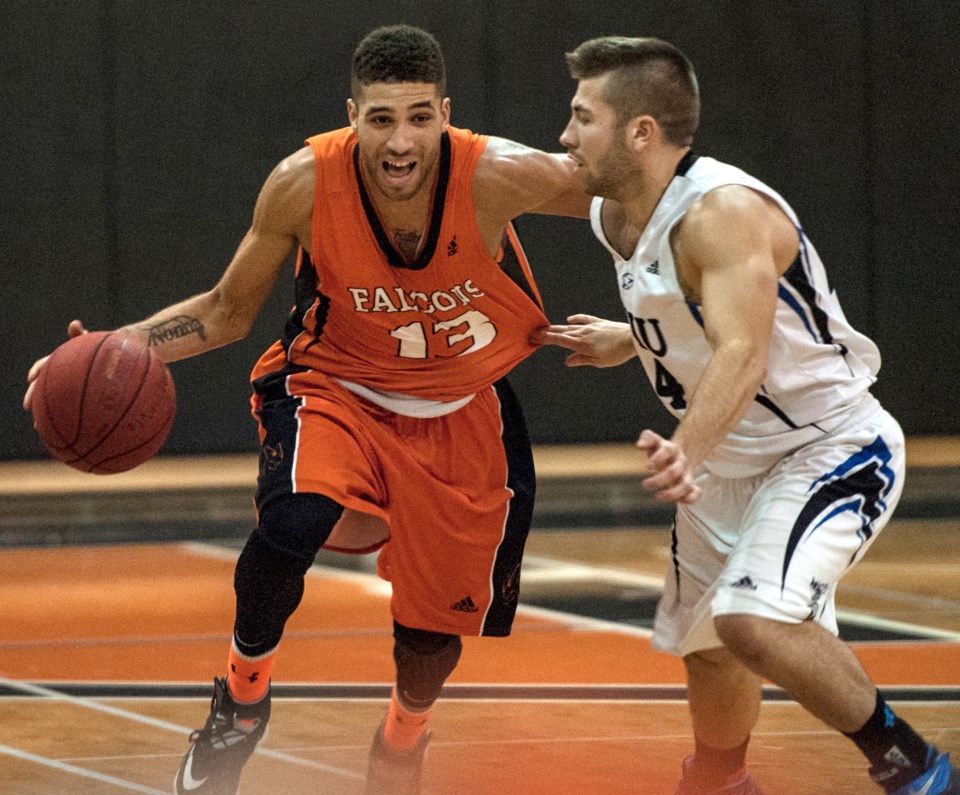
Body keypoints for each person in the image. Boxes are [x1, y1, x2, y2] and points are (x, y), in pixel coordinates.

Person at [25, 25, 589, 795]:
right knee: (293, 518)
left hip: (459, 408)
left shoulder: (495, 175)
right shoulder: (304, 183)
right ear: (351, 115)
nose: (400, 141)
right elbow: (226, 311)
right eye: (381, 118)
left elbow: (633, 195)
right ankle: (241, 702)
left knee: (428, 640)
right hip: (335, 387)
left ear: (446, 114)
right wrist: (106, 352)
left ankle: (402, 741)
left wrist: (656, 310)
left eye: (419, 117)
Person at [535, 35, 959, 795]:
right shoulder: (617, 209)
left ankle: (916, 767)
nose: (565, 136)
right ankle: (718, 782)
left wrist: (684, 449)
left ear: (641, 132)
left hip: (825, 445)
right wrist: (633, 338)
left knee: (751, 621)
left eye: (581, 117)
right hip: (731, 458)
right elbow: (694, 310)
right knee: (710, 645)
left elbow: (743, 352)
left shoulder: (723, 213)